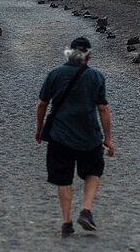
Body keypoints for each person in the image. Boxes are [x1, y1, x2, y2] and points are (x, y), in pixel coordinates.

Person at [35, 36, 114, 237]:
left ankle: (66, 222)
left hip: (59, 136)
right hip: (89, 136)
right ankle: (86, 210)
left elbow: (42, 104)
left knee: (63, 178)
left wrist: (39, 128)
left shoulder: (54, 74)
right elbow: (103, 109)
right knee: (93, 172)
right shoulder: (96, 77)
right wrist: (108, 138)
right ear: (88, 56)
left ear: (69, 53)